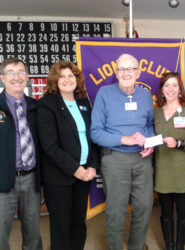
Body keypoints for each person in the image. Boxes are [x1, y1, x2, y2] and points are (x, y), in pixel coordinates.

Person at [91, 53, 154, 250]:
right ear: (116, 73)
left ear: (138, 72)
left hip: (142, 159)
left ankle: (136, 246)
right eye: (121, 69)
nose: (126, 73)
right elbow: (95, 133)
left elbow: (150, 124)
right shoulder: (104, 93)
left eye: (130, 69)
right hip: (114, 158)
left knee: (144, 206)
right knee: (116, 211)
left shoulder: (144, 95)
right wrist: (124, 139)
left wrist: (150, 142)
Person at [37, 61, 98, 250]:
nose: (67, 80)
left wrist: (92, 166)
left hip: (84, 175)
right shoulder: (47, 104)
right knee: (61, 226)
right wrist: (75, 169)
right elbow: (49, 145)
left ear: (77, 79)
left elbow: (92, 137)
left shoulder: (83, 103)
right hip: (59, 177)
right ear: (55, 80)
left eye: (71, 76)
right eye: (62, 76)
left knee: (78, 222)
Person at [154, 72, 185, 250]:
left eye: (174, 85)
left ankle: (180, 246)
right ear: (162, 90)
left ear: (180, 89)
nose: (171, 89)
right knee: (165, 212)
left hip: (183, 170)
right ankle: (169, 245)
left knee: (183, 212)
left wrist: (179, 143)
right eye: (167, 85)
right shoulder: (156, 112)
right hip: (162, 168)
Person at [0, 58, 42, 250]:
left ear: (27, 77)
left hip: (31, 179)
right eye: (10, 72)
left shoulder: (36, 107)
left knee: (33, 231)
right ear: (2, 78)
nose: (16, 77)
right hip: (3, 181)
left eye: (20, 72)